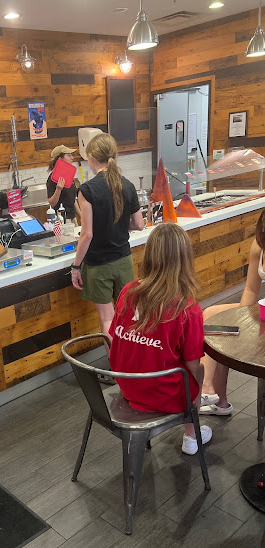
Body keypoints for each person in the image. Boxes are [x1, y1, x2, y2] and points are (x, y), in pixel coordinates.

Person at [109, 223, 212, 455]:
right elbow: (192, 364)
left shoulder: (128, 292)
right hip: (161, 394)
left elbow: (115, 336)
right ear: (185, 259)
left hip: (127, 385)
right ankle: (191, 435)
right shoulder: (187, 308)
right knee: (199, 371)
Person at [71, 133, 144, 340]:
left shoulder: (87, 190)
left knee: (108, 320)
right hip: (123, 260)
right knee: (128, 316)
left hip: (98, 265)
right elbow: (139, 224)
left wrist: (76, 267)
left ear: (91, 157)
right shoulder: (127, 185)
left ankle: (114, 361)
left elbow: (87, 234)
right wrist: (117, 225)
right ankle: (130, 358)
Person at [200, 209, 265, 417]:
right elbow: (251, 289)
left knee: (226, 329)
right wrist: (239, 318)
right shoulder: (258, 245)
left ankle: (211, 394)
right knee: (213, 317)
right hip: (260, 311)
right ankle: (211, 393)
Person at [47, 145, 80, 222]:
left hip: (72, 218)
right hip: (62, 219)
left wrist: (81, 216)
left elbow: (72, 199)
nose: (72, 158)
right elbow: (52, 203)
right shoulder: (52, 179)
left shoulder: (68, 176)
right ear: (60, 159)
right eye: (69, 155)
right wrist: (58, 189)